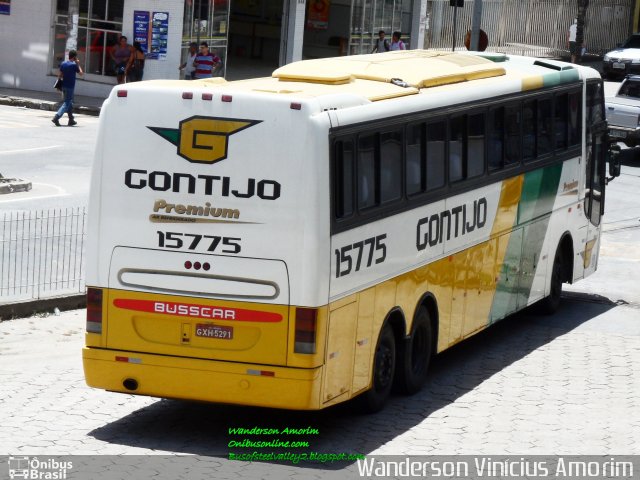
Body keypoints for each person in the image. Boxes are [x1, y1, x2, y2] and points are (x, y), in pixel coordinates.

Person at [52, 50, 83, 127]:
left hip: (64, 86)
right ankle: (56, 117)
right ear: (74, 57)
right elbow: (81, 74)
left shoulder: (63, 63)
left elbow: (60, 75)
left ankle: (71, 119)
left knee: (69, 102)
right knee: (67, 103)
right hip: (70, 87)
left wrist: (58, 86)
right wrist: (78, 64)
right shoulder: (74, 65)